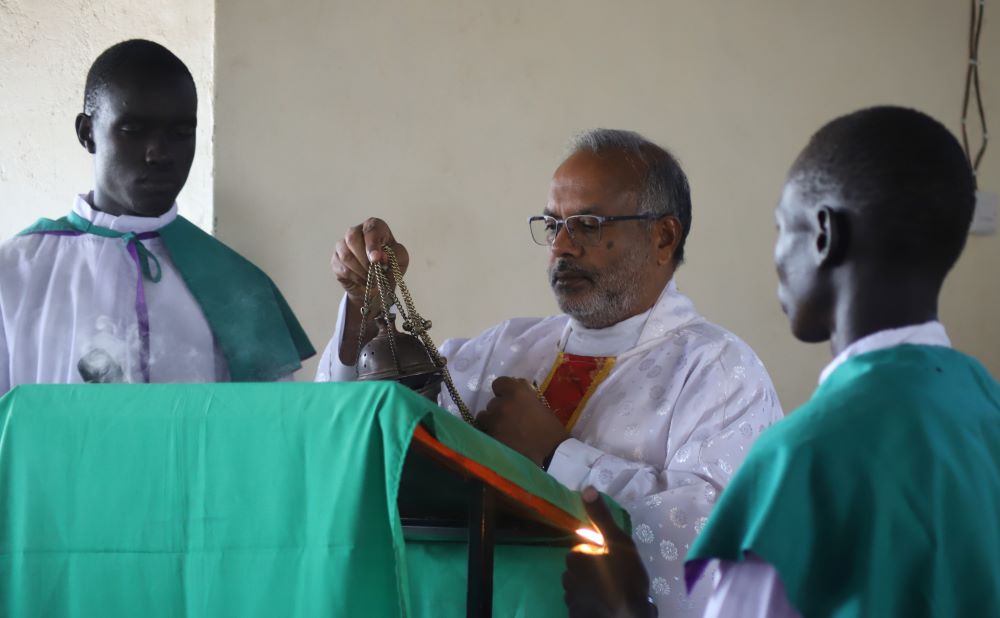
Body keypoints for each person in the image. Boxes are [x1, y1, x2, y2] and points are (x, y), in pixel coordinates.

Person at [317, 129, 782, 615]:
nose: (562, 246)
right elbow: (354, 441)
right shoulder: (504, 348)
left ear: (663, 236)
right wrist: (365, 311)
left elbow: (716, 545)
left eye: (587, 223)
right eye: (552, 224)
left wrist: (556, 455)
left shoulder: (718, 369)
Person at [562, 106, 1000, 617]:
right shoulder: (985, 413)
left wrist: (623, 609)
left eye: (781, 228)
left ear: (823, 235)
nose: (776, 258)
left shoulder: (804, 457)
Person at [0, 39, 314, 393]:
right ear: (88, 134)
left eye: (181, 134)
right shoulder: (15, 272)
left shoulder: (235, 285)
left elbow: (273, 427)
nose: (160, 153)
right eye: (133, 131)